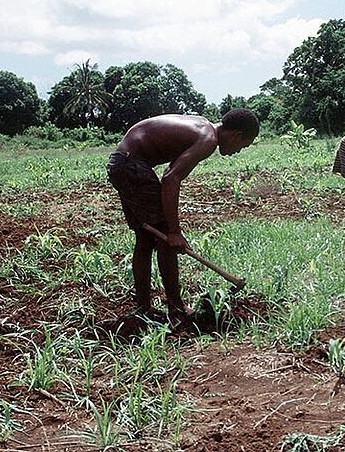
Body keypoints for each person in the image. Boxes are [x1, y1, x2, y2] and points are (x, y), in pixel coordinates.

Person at [107, 108, 259, 327]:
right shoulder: (208, 139)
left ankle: (143, 308)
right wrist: (174, 232)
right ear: (236, 135)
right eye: (242, 146)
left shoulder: (203, 127)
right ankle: (176, 310)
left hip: (122, 163)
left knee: (145, 237)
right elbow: (170, 179)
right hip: (131, 165)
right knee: (166, 241)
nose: (238, 152)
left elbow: (169, 172)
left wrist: (171, 229)